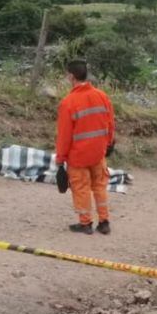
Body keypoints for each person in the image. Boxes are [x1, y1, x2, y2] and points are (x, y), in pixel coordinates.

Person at [55, 59, 116, 235]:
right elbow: (110, 123)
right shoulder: (102, 96)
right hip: (98, 153)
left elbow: (64, 136)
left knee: (81, 189)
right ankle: (104, 222)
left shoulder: (68, 103)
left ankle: (85, 224)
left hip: (78, 156)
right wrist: (109, 143)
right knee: (99, 187)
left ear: (71, 76)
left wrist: (60, 159)